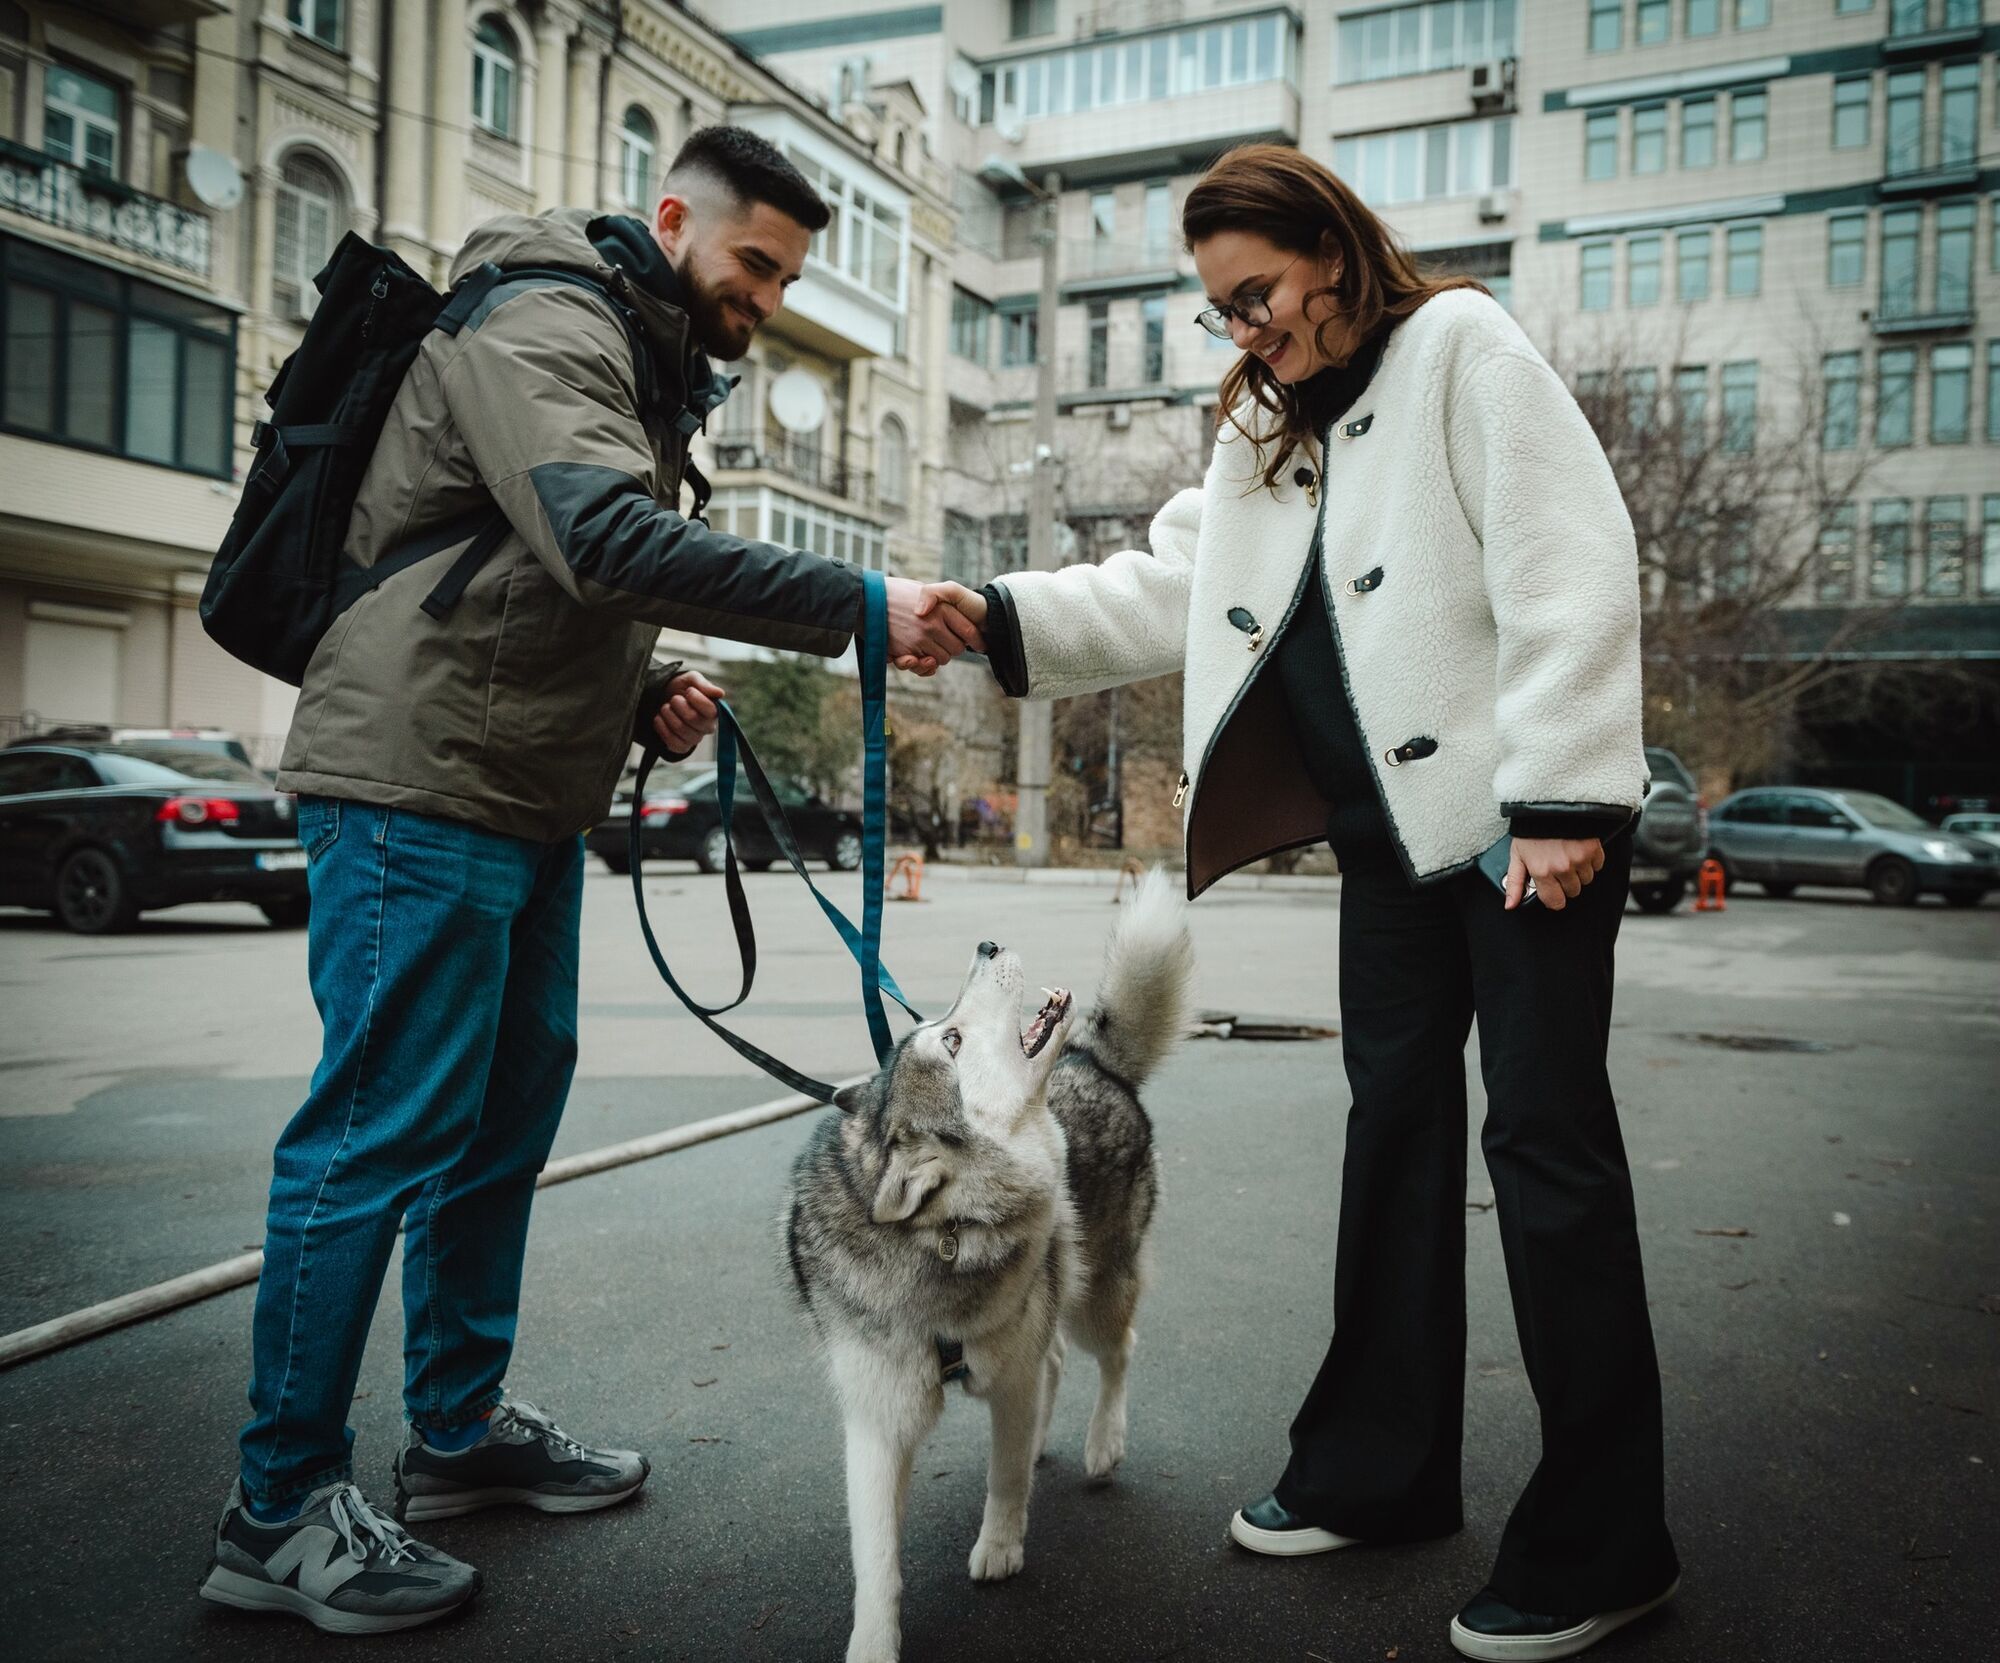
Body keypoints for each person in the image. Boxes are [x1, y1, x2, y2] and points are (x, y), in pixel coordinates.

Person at [200, 126, 978, 1635]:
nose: (765, 296)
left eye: (787, 276)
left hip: (516, 790)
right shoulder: (548, 314)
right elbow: (599, 537)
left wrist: (641, 694)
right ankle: (277, 1508)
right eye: (753, 263)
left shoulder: (641, 345)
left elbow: (508, 568)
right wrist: (863, 603)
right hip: (414, 784)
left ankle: (454, 1433)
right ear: (673, 216)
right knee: (374, 1132)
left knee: (498, 1121)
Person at [919, 144, 1679, 1663]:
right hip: (1387, 845)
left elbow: (1569, 558)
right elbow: (1164, 595)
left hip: (1521, 836)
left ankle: (1608, 1541)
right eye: (1219, 310)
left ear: (1332, 256)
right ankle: (1382, 1470)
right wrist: (990, 619)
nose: (1240, 329)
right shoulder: (1266, 430)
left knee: (1545, 1153)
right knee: (1390, 1139)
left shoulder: (1462, 348)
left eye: (1253, 296)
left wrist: (1565, 799)